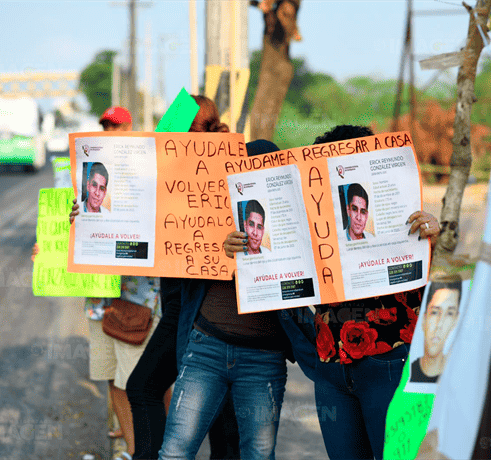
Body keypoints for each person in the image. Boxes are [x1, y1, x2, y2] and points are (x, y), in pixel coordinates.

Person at [158, 139, 314, 460]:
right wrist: (89, 223)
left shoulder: (297, 221)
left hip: (263, 358)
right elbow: (158, 234)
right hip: (206, 348)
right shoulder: (210, 211)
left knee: (258, 454)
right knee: (174, 451)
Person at [309, 125, 440, 460]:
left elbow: (433, 284)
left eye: (362, 209)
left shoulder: (404, 223)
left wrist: (432, 245)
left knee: (403, 456)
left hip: (392, 360)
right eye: (351, 208)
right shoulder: (312, 227)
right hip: (331, 365)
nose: (357, 216)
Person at [125, 95, 242, 460]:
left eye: (173, 132)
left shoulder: (222, 166)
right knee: (220, 413)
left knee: (144, 387)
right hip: (190, 304)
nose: (164, 142)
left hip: (198, 309)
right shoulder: (179, 171)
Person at [69, 106, 161, 460]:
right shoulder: (81, 186)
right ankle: (132, 449)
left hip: (138, 297)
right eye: (106, 127)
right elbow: (62, 236)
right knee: (112, 377)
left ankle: (148, 449)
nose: (110, 132)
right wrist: (53, 242)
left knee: (137, 380)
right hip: (99, 298)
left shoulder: (146, 174)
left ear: (129, 128)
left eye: (116, 127)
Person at [410, 280, 461, 384]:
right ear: (424, 319)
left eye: (450, 314)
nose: (440, 324)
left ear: (456, 321)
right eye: (435, 312)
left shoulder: (460, 378)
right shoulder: (404, 374)